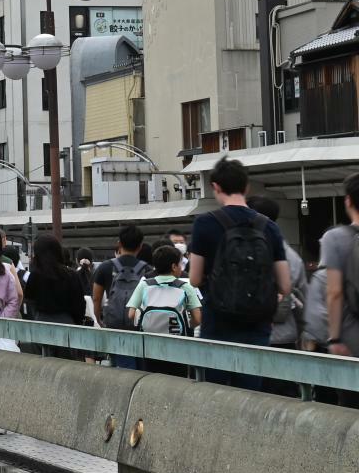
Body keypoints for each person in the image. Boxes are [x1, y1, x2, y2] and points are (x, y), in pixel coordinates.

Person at [188, 156, 291, 389]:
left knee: (216, 396)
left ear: (216, 187)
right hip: (257, 326)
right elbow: (285, 285)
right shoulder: (269, 226)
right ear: (246, 187)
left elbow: (194, 279)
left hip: (217, 323)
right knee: (250, 397)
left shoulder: (205, 224)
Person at [249, 195, 308, 353]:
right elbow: (304, 301)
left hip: (251, 336)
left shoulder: (243, 251)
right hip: (285, 336)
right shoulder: (294, 258)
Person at [93, 224, 153, 367]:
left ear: (119, 243)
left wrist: (99, 320)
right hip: (138, 325)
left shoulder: (105, 267)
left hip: (114, 324)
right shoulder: (147, 269)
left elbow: (96, 298)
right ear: (140, 246)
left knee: (118, 361)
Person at [318, 174, 359, 361]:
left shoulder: (335, 238)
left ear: (348, 201)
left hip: (352, 340)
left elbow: (334, 292)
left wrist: (334, 338)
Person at [128, 243, 201, 340]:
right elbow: (197, 318)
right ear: (174, 267)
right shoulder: (185, 287)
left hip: (149, 339)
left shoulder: (144, 285)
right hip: (177, 341)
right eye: (179, 264)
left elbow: (131, 314)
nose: (181, 267)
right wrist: (186, 326)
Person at [22, 234, 88, 328]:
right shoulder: (71, 275)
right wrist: (77, 322)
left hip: (41, 324)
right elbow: (80, 304)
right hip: (68, 324)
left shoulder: (35, 275)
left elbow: (29, 301)